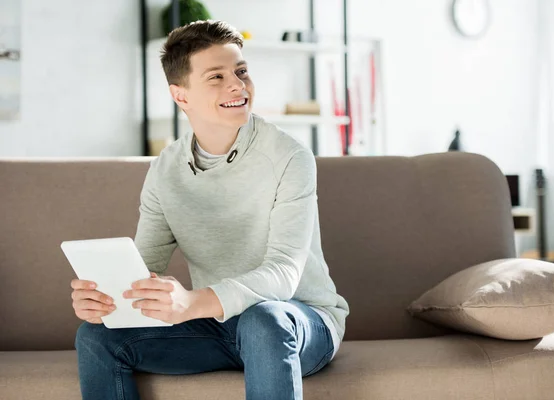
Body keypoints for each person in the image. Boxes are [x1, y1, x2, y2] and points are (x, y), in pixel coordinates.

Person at [70, 20, 349, 400]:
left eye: (241, 71)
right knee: (95, 336)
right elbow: (145, 268)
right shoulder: (165, 169)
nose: (237, 84)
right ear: (180, 95)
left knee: (263, 319)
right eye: (216, 77)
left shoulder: (290, 156)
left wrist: (190, 302)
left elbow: (284, 273)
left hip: (297, 321)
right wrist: (108, 301)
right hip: (216, 327)